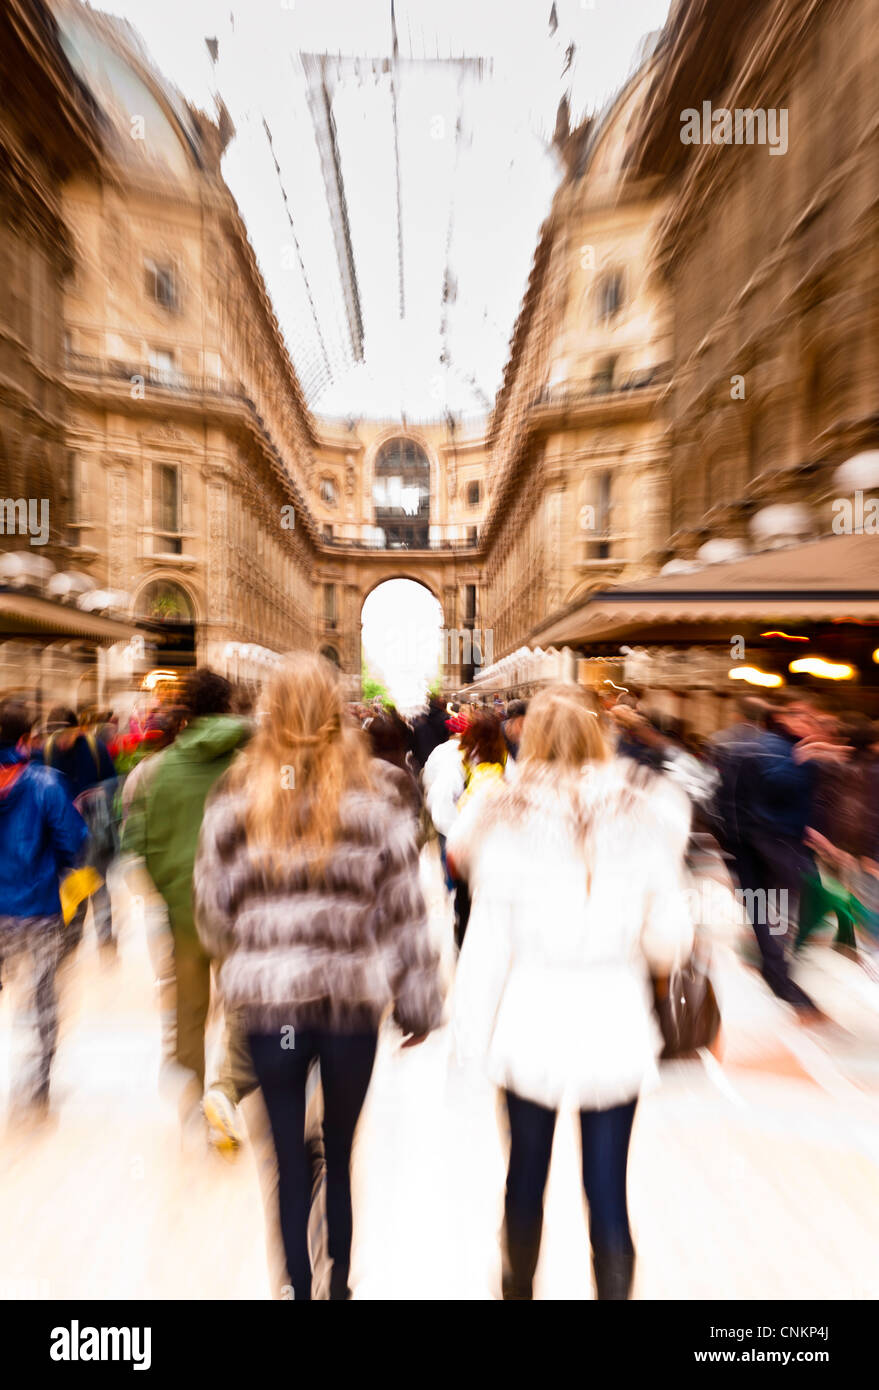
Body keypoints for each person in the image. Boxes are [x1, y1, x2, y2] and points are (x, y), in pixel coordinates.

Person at [193, 652, 443, 1300]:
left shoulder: (237, 790)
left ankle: (296, 1289)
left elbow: (211, 910)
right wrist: (417, 1003)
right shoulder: (378, 792)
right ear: (337, 713)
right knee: (336, 1150)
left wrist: (251, 951)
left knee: (283, 1155)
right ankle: (338, 1288)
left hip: (270, 1009)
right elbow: (403, 911)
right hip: (349, 1006)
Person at [448, 685, 693, 1300]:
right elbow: (669, 936)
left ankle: (517, 1291)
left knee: (524, 1178)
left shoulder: (503, 816)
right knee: (608, 1188)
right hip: (613, 1019)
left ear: (530, 736)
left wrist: (470, 1047)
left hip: (531, 1020)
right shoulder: (645, 812)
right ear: (598, 734)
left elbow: (486, 948)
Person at [121, 668, 252, 1142]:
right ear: (229, 705)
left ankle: (195, 1099)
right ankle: (226, 1090)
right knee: (243, 1003)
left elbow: (136, 842)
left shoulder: (153, 770)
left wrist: (169, 893)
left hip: (182, 910)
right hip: (243, 908)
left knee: (189, 1008)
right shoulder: (254, 761)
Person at [0, 698, 88, 1117]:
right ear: (26, 737)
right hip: (37, 909)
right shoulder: (46, 783)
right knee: (42, 995)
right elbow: (73, 842)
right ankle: (39, 1082)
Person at [42, 706, 118, 955]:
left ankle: (105, 935)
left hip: (95, 827)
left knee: (98, 881)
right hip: (64, 831)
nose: (62, 741)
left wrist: (96, 794)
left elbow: (113, 781)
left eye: (66, 734)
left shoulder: (95, 748)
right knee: (73, 883)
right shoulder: (48, 750)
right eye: (56, 736)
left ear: (77, 730)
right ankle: (72, 937)